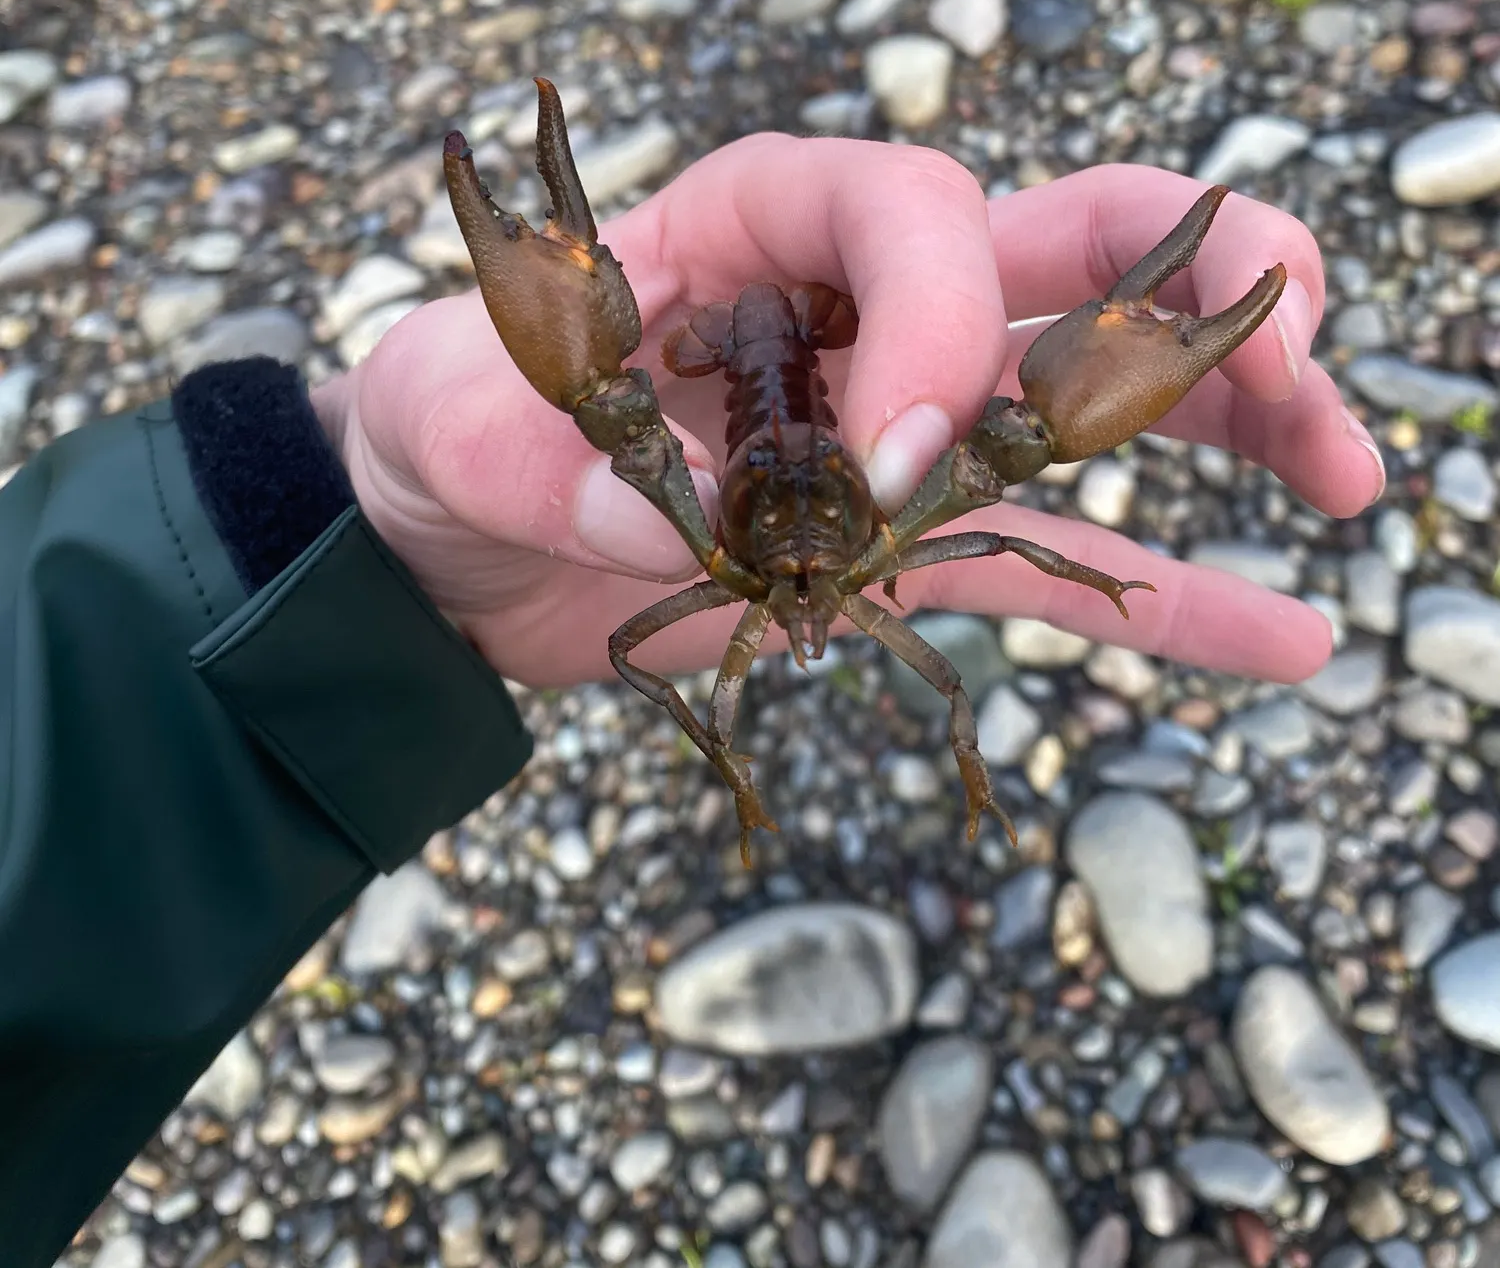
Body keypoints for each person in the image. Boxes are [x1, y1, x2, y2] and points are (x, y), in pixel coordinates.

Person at [0, 131, 1384, 1265]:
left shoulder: (857, 546)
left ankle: (926, 766)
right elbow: (628, 636)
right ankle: (762, 771)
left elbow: (1006, 505)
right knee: (714, 650)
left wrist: (357, 504)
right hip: (753, 431)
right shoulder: (737, 552)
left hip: (803, 475)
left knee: (964, 595)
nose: (789, 606)